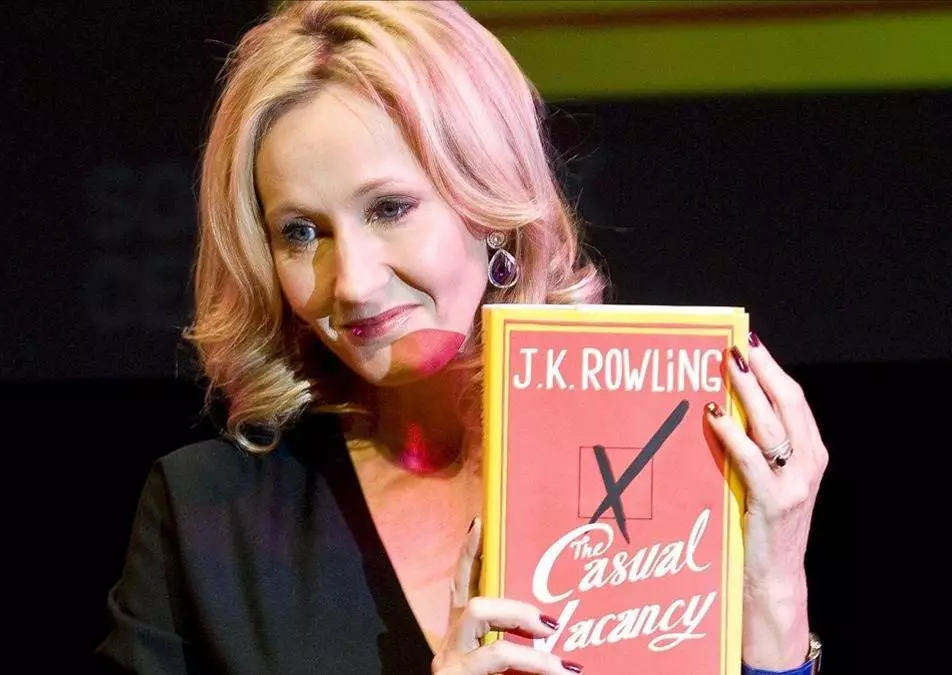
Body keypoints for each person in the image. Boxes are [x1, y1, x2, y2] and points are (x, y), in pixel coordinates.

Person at [95, 2, 828, 673]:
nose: (352, 281)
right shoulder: (207, 515)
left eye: (389, 208)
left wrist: (775, 596)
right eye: (301, 232)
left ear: (491, 204)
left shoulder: (674, 460)